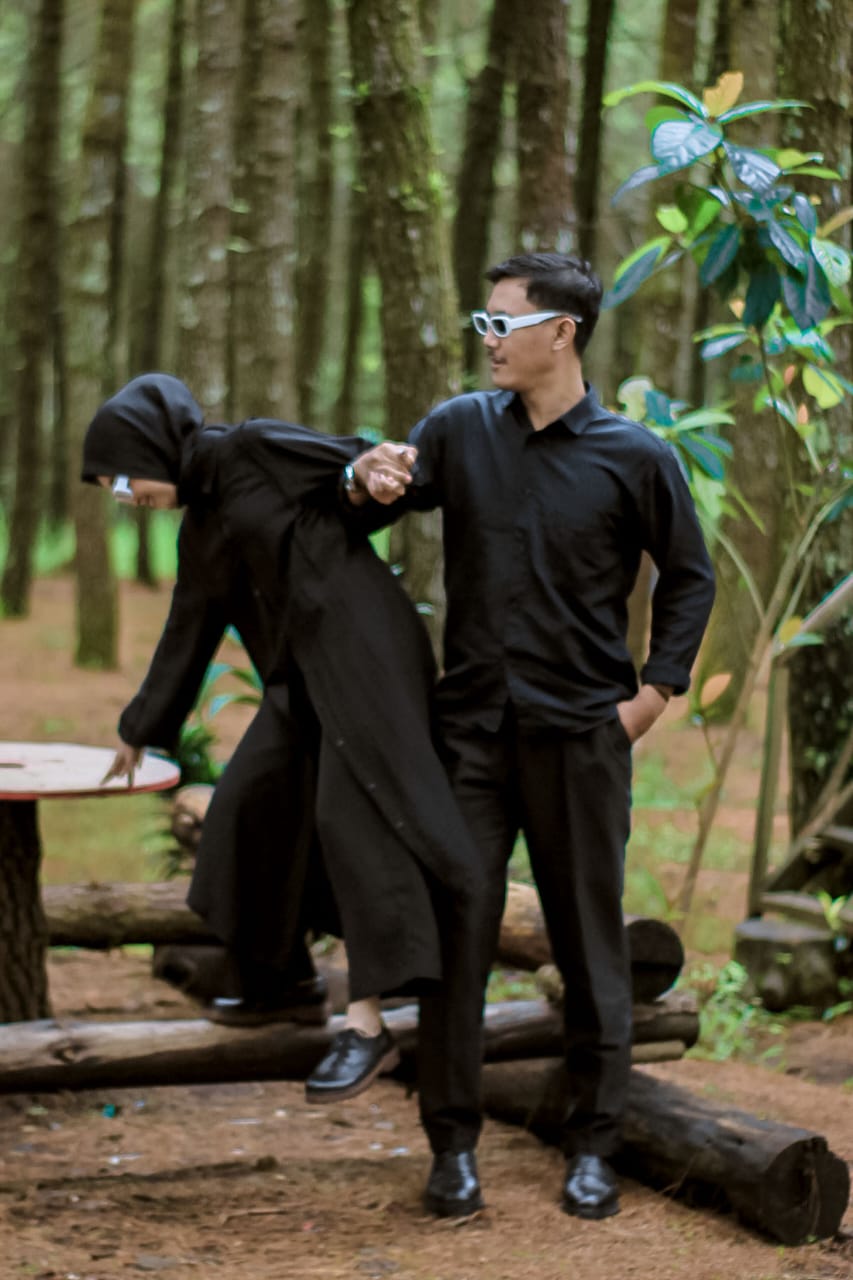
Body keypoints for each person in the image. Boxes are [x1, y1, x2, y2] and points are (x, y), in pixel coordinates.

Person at [345, 253, 716, 1219]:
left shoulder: (636, 456)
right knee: (457, 942)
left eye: (500, 322)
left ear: (561, 333)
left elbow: (689, 576)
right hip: (469, 738)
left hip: (582, 737)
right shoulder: (459, 429)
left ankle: (594, 1146)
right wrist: (362, 474)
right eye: (483, 321)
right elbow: (379, 498)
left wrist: (652, 697)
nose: (487, 339)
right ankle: (451, 1146)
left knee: (590, 946)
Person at [81, 373, 481, 1103]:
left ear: (152, 449)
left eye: (125, 478)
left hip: (363, 656)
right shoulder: (200, 527)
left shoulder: (254, 448)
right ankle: (283, 983)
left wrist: (369, 474)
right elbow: (188, 629)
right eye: (111, 489)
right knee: (244, 809)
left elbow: (355, 473)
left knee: (352, 819)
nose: (124, 496)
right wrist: (139, 729)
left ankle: (367, 1026)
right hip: (298, 680)